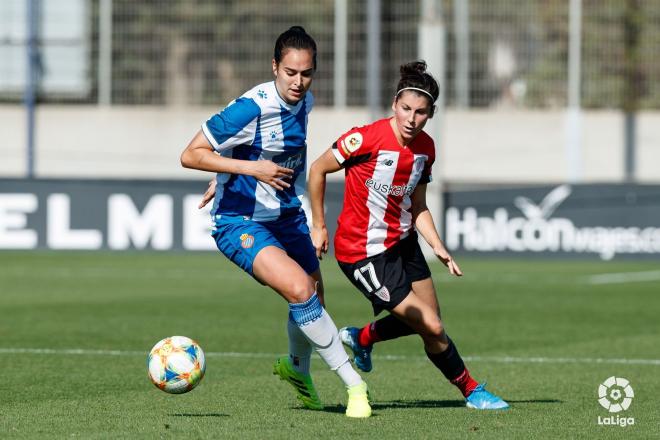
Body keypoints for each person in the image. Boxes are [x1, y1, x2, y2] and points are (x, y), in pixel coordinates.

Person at [180, 26, 371, 418]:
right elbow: (190, 154)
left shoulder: (306, 102)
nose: (298, 82)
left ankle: (296, 370)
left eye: (306, 73)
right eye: (290, 73)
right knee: (301, 289)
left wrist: (315, 221)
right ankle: (355, 385)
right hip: (240, 222)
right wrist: (245, 170)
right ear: (274, 67)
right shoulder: (251, 107)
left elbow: (288, 158)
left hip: (286, 215)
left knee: (313, 297)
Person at [308, 60, 509, 410]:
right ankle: (472, 391)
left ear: (431, 114)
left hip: (403, 243)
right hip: (363, 253)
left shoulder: (426, 149)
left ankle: (362, 337)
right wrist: (319, 224)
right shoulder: (364, 138)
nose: (411, 119)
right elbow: (317, 169)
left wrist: (438, 246)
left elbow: (418, 206)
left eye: (420, 112)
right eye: (406, 109)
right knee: (430, 325)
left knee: (431, 321)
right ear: (394, 104)